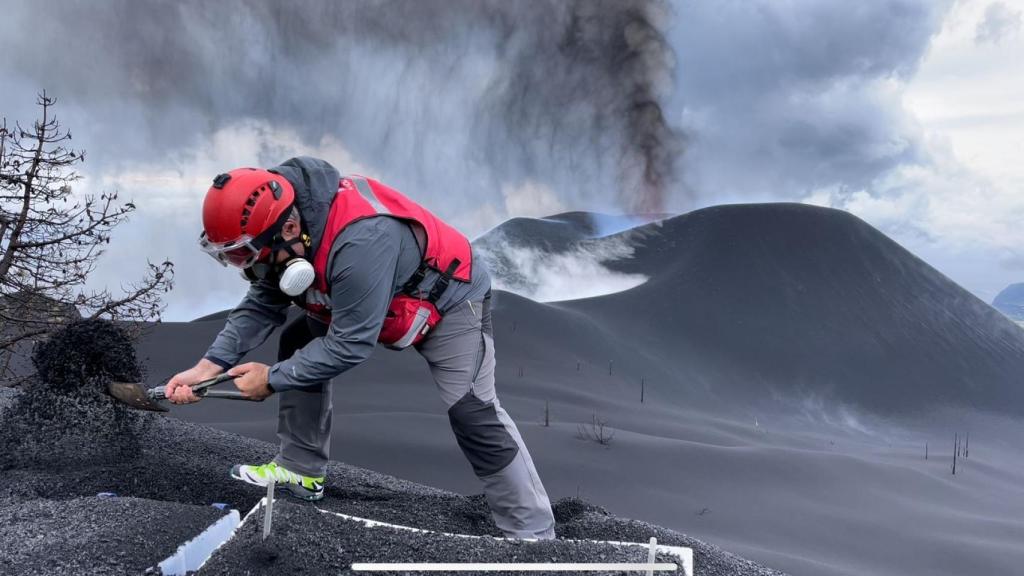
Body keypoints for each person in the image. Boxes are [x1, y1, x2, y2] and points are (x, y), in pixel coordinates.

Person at [165, 157, 555, 539]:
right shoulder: (285, 230)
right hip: (369, 296)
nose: (246, 266)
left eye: (246, 254)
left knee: (474, 413)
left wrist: (272, 380)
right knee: (298, 340)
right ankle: (300, 471)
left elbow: (350, 344)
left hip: (448, 299)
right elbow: (262, 303)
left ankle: (532, 534)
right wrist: (207, 367)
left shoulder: (360, 240)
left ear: (289, 226)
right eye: (232, 257)